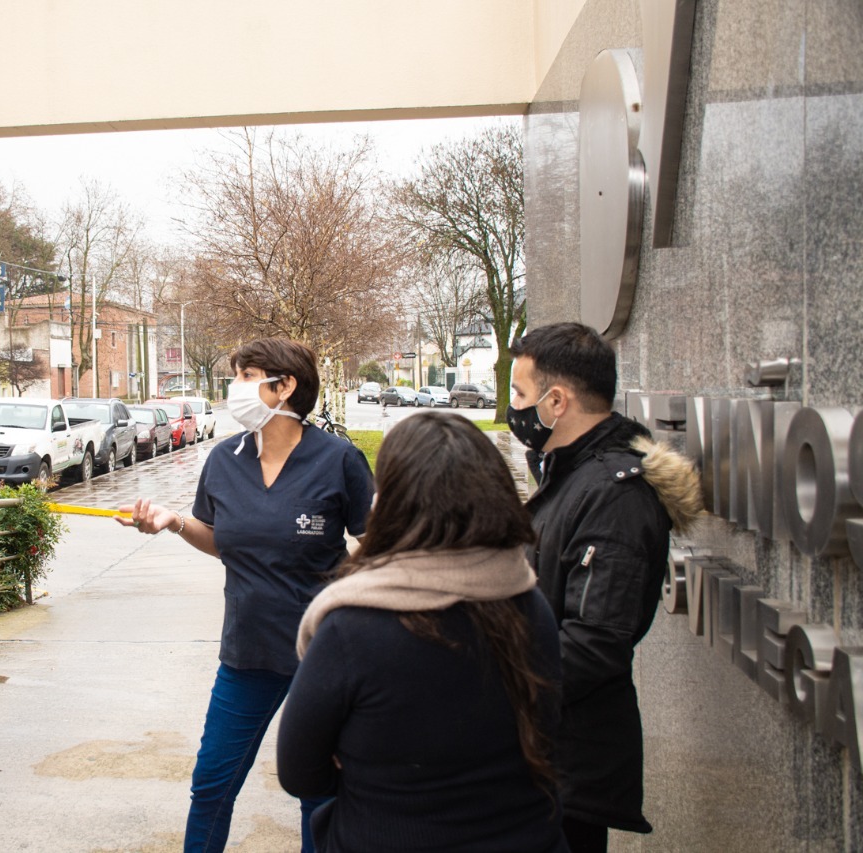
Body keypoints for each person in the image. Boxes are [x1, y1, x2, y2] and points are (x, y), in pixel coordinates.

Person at [117, 337, 374, 853]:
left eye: (246, 375)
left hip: (322, 656)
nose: (234, 388)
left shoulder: (338, 459)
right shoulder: (223, 460)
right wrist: (175, 523)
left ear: (285, 387)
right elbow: (223, 541)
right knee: (212, 783)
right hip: (248, 653)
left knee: (317, 792)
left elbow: (378, 545)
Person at [276, 411, 568, 852]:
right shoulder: (529, 604)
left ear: (393, 503)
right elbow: (547, 730)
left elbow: (300, 771)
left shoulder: (351, 628)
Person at [507, 322, 702, 853]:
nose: (515, 409)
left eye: (521, 395)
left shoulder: (613, 495)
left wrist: (497, 691)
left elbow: (594, 644)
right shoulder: (568, 474)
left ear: (557, 400)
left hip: (565, 766)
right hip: (541, 753)